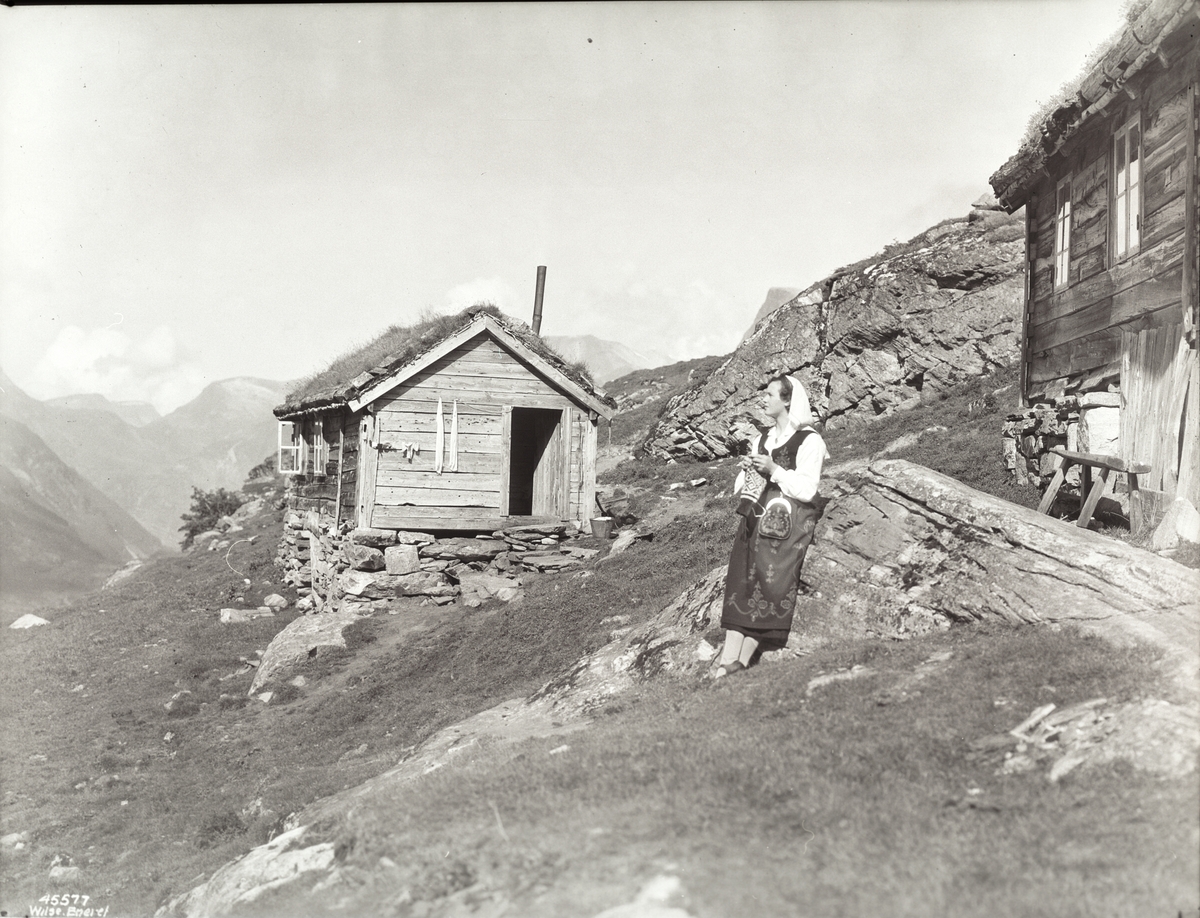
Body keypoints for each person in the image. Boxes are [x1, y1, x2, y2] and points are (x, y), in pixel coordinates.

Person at [714, 374, 829, 678]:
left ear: (788, 400)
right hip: (755, 521)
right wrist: (746, 471)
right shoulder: (761, 439)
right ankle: (730, 662)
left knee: (768, 586)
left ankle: (735, 663)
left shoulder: (810, 440)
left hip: (786, 525)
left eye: (769, 394)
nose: (763, 399)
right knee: (741, 583)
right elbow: (743, 488)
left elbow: (807, 490)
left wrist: (775, 469)